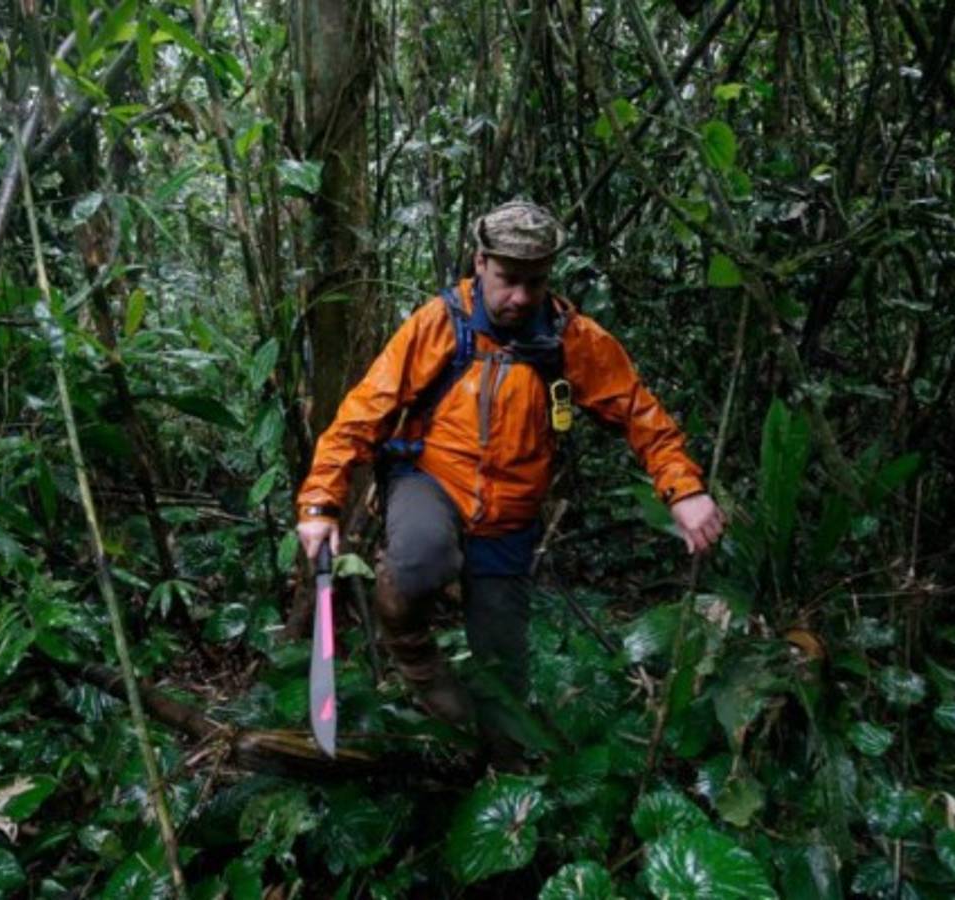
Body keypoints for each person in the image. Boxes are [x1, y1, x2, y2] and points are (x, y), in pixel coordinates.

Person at [295, 200, 724, 744]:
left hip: (512, 513)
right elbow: (363, 413)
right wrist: (319, 504)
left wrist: (683, 489)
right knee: (420, 559)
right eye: (507, 279)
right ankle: (414, 654)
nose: (519, 297)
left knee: (504, 673)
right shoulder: (439, 324)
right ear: (480, 263)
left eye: (534, 282)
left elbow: (640, 414)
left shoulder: (573, 340)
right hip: (432, 481)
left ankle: (495, 764)